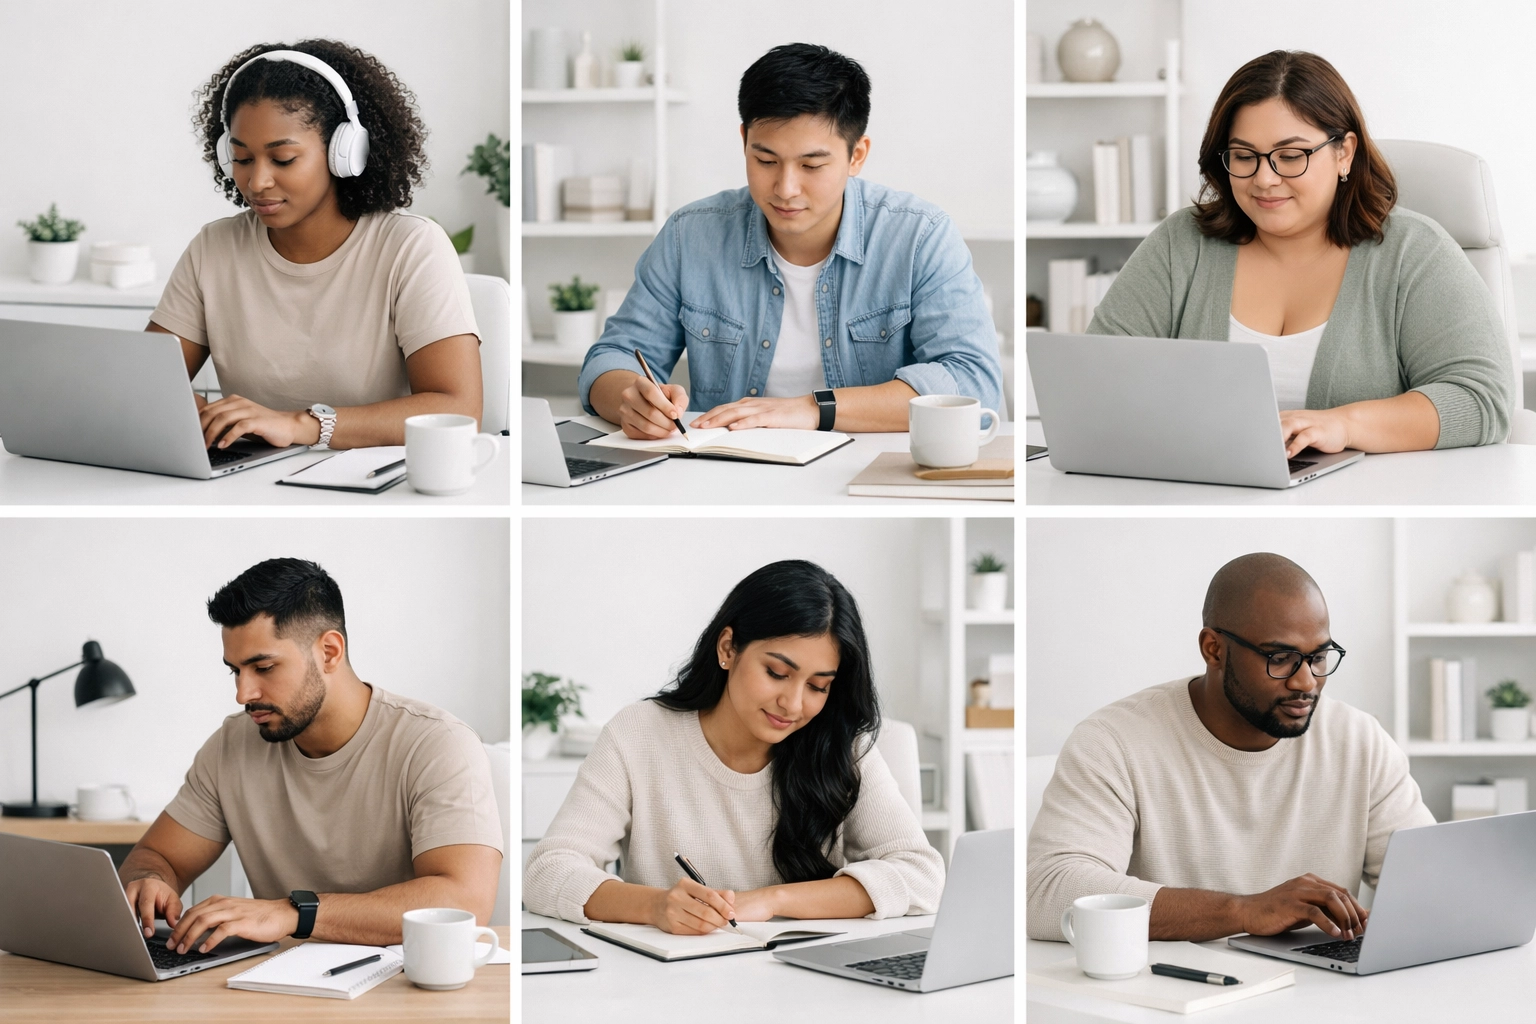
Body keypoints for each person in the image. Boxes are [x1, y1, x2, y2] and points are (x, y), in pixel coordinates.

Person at [1088, 50, 1513, 454]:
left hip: (1367, 499)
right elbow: (1095, 378)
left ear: (1344, 152)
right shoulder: (1181, 243)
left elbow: (1481, 400)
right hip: (1202, 491)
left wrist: (1343, 425)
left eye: (1290, 156)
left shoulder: (1414, 252)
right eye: (1244, 156)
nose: (1264, 179)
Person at [578, 43, 1003, 439]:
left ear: (856, 155)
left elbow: (973, 381)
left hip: (869, 471)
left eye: (811, 166)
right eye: (765, 160)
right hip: (724, 471)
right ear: (744, 141)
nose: (785, 188)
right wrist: (630, 401)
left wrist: (814, 409)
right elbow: (611, 358)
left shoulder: (919, 236)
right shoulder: (690, 235)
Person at [1026, 552, 1435, 943]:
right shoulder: (1114, 741)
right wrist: (1243, 912)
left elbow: (1437, 882)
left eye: (1319, 656)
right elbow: (1048, 892)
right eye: (1281, 657)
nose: (1306, 682)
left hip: (1322, 983)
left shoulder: (1361, 742)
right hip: (1174, 985)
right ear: (1214, 649)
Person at [523, 560, 944, 933]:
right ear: (728, 648)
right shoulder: (638, 734)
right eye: (777, 673)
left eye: (818, 686)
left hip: (805, 978)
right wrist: (655, 906)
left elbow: (921, 875)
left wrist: (772, 900)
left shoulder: (842, 746)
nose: (794, 704)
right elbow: (547, 871)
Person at [118, 558, 502, 953]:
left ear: (329, 652)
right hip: (274, 980)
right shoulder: (232, 746)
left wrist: (293, 913)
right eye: (235, 671)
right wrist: (150, 880)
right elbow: (157, 855)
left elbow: (464, 900)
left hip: (405, 978)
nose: (243, 693)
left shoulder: (437, 744)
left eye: (264, 667)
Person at [149, 40, 483, 453]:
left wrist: (302, 425)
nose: (257, 182)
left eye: (283, 159)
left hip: (370, 480)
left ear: (346, 152)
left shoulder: (410, 247)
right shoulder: (213, 249)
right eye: (242, 159)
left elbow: (459, 409)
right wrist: (193, 411)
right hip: (247, 480)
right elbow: (147, 380)